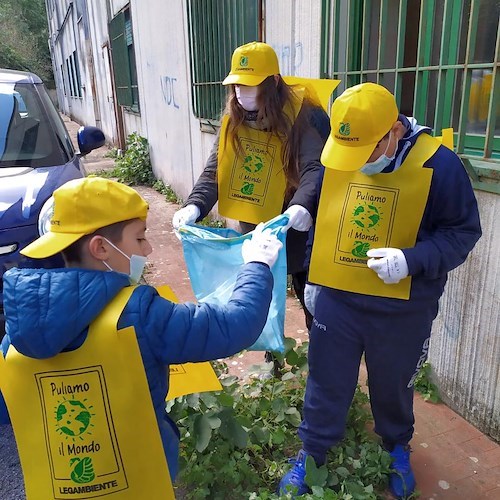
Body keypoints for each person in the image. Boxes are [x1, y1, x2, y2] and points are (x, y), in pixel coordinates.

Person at [0, 177, 282, 498]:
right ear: (100, 247)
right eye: (140, 237)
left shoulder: (19, 332)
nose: (147, 248)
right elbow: (234, 325)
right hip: (139, 479)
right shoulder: (140, 314)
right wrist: (257, 264)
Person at [278, 83, 482, 498]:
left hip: (404, 304)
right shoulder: (344, 151)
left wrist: (412, 260)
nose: (358, 162)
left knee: (393, 383)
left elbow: (462, 232)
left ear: (392, 131)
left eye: (368, 151)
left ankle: (396, 447)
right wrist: (314, 270)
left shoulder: (440, 167)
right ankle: (312, 451)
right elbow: (332, 212)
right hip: (340, 297)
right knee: (326, 378)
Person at [172, 41, 330, 343]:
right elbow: (216, 171)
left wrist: (302, 206)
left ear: (272, 83)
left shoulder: (305, 114)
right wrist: (194, 206)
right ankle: (270, 353)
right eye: (237, 86)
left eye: (251, 85)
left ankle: (319, 351)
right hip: (256, 222)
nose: (241, 93)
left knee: (310, 295)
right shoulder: (234, 118)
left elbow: (314, 168)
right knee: (260, 290)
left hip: (299, 223)